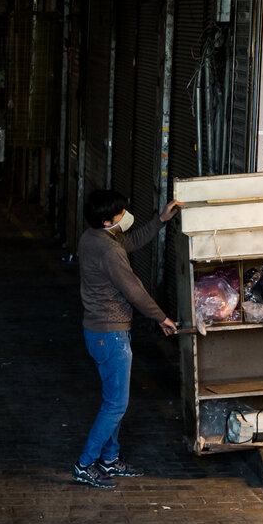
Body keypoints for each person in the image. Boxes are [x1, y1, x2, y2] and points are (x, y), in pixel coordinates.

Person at [72, 190, 181, 488]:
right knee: (115, 405)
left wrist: (160, 220)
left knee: (113, 400)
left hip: (101, 332)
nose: (125, 216)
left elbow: (129, 242)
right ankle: (85, 464)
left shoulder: (93, 237)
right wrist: (162, 317)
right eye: (121, 214)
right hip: (110, 334)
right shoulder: (108, 251)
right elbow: (133, 290)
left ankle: (109, 458)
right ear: (108, 220)